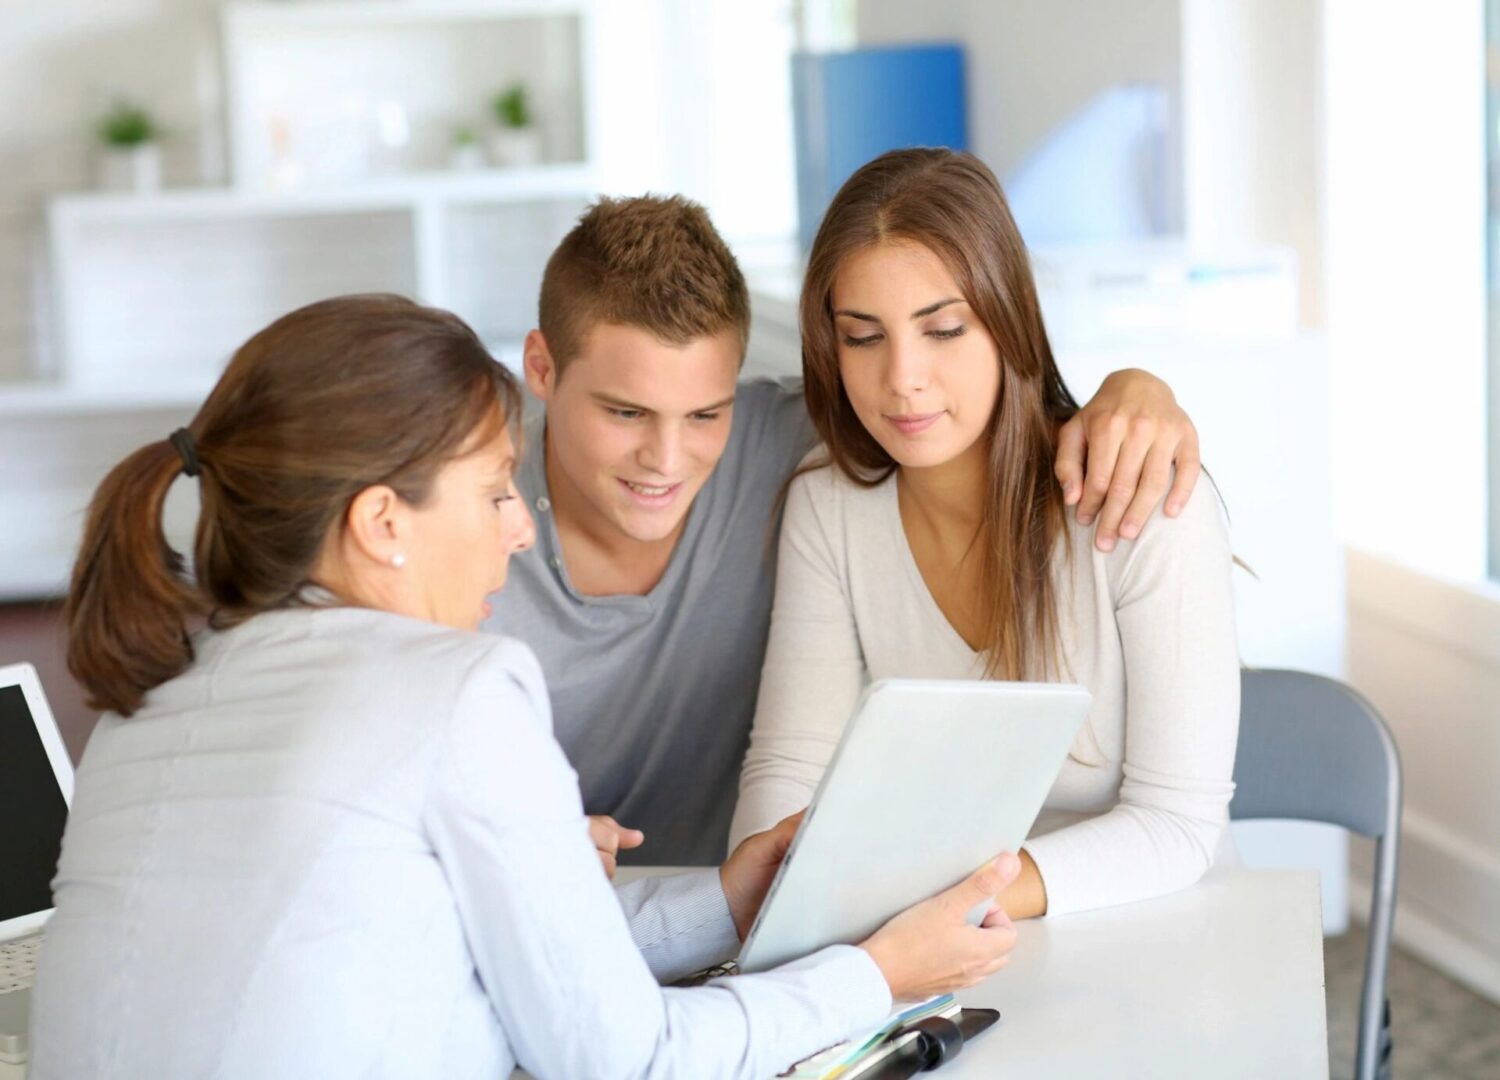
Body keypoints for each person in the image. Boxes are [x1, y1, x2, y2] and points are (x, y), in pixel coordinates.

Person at [29, 295, 1024, 1079]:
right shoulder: (455, 687)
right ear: (382, 523)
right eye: (498, 487)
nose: (518, 526)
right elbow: (623, 1057)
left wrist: (728, 902)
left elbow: (508, 964)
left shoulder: (144, 705)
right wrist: (880, 974)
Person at [486, 194, 1205, 867]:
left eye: (706, 413)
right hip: (533, 903)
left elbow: (953, 405)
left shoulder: (798, 444)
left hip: (723, 911)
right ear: (541, 369)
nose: (667, 460)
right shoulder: (457, 521)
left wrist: (1138, 388)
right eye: (625, 413)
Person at [730, 149, 1240, 919]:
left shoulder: (1142, 501)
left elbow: (1176, 826)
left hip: (1144, 926)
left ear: (1008, 322)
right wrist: (768, 906)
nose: (903, 377)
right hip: (924, 938)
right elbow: (792, 765)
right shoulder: (828, 505)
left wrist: (957, 907)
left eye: (942, 330)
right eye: (863, 337)